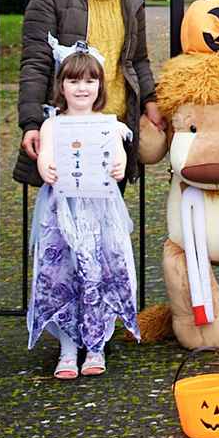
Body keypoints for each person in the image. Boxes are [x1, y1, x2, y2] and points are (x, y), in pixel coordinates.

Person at [13, 0, 163, 189]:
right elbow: (35, 63)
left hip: (114, 127)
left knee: (108, 223)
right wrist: (31, 123)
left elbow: (138, 59)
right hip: (69, 128)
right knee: (68, 224)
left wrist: (150, 100)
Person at [27, 41, 139, 379]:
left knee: (95, 271)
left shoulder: (109, 125)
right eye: (74, 81)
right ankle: (67, 347)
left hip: (97, 212)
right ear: (62, 85)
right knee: (62, 273)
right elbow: (46, 155)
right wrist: (46, 167)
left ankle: (94, 344)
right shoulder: (52, 125)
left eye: (90, 81)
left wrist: (118, 166)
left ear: (100, 86)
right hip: (61, 211)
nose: (82, 88)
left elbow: (118, 156)